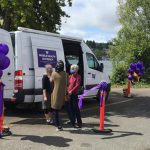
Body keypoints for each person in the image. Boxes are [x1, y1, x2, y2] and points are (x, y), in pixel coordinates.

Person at [50, 60, 68, 131]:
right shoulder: (66, 74)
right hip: (63, 94)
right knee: (62, 110)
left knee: (55, 111)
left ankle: (58, 125)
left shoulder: (54, 74)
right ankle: (73, 122)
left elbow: (51, 83)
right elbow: (68, 83)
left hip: (55, 94)